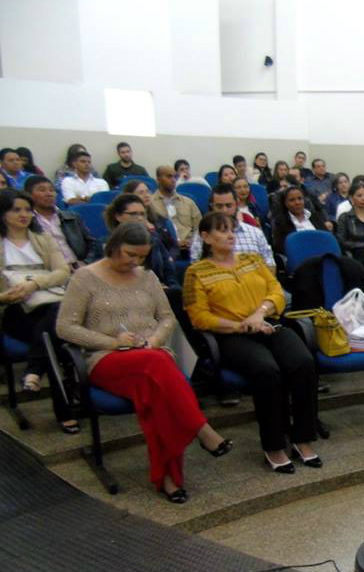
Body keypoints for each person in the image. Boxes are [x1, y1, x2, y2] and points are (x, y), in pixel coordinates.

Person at [57, 222, 233, 502]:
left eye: (141, 256)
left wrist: (154, 340)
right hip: (107, 359)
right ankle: (202, 430)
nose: (135, 262)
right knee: (159, 364)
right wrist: (115, 342)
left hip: (150, 358)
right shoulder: (85, 278)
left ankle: (168, 479)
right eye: (129, 254)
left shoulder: (148, 277)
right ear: (113, 247)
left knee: (154, 394)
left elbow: (167, 318)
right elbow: (65, 328)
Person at [184, 212, 321, 474]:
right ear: (205, 237)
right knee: (267, 371)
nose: (230, 234)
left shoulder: (253, 259)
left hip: (268, 324)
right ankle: (274, 445)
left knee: (303, 363)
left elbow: (276, 292)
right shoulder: (196, 272)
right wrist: (241, 325)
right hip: (232, 336)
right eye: (222, 230)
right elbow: (199, 317)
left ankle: (302, 438)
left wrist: (259, 315)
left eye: (232, 229)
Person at [0, 189, 76, 432]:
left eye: (27, 210)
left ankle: (34, 371)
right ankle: (65, 410)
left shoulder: (42, 239)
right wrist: (5, 296)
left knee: (51, 333)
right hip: (14, 311)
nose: (24, 215)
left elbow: (63, 271)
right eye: (16, 210)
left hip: (47, 305)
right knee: (56, 337)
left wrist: (34, 284)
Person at [190, 184, 275, 269]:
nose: (224, 211)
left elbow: (270, 265)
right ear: (212, 206)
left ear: (236, 204)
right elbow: (197, 269)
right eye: (219, 206)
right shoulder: (203, 236)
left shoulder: (255, 233)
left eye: (229, 205)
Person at [25, 175, 99, 269]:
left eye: (52, 190)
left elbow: (92, 243)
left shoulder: (72, 217)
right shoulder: (28, 222)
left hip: (79, 267)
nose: (49, 194)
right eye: (42, 190)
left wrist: (86, 262)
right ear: (29, 195)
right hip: (51, 271)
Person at [105, 194, 178, 288]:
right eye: (133, 214)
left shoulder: (153, 240)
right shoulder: (108, 244)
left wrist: (171, 288)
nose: (139, 218)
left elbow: (169, 272)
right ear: (118, 216)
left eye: (142, 214)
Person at [150, 165, 201, 253]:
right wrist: (174, 243)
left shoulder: (188, 202)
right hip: (164, 249)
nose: (173, 180)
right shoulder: (150, 204)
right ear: (158, 179)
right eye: (169, 176)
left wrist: (193, 242)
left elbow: (200, 227)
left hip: (189, 249)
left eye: (175, 177)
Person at [123, 180, 177, 256]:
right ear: (130, 197)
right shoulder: (126, 220)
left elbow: (173, 246)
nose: (146, 195)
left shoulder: (160, 219)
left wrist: (170, 258)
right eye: (141, 193)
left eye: (148, 192)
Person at [270, 185, 329, 254]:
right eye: (292, 200)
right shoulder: (280, 223)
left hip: (323, 253)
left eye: (300, 198)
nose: (297, 202)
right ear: (285, 203)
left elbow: (327, 237)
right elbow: (281, 248)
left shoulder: (314, 216)